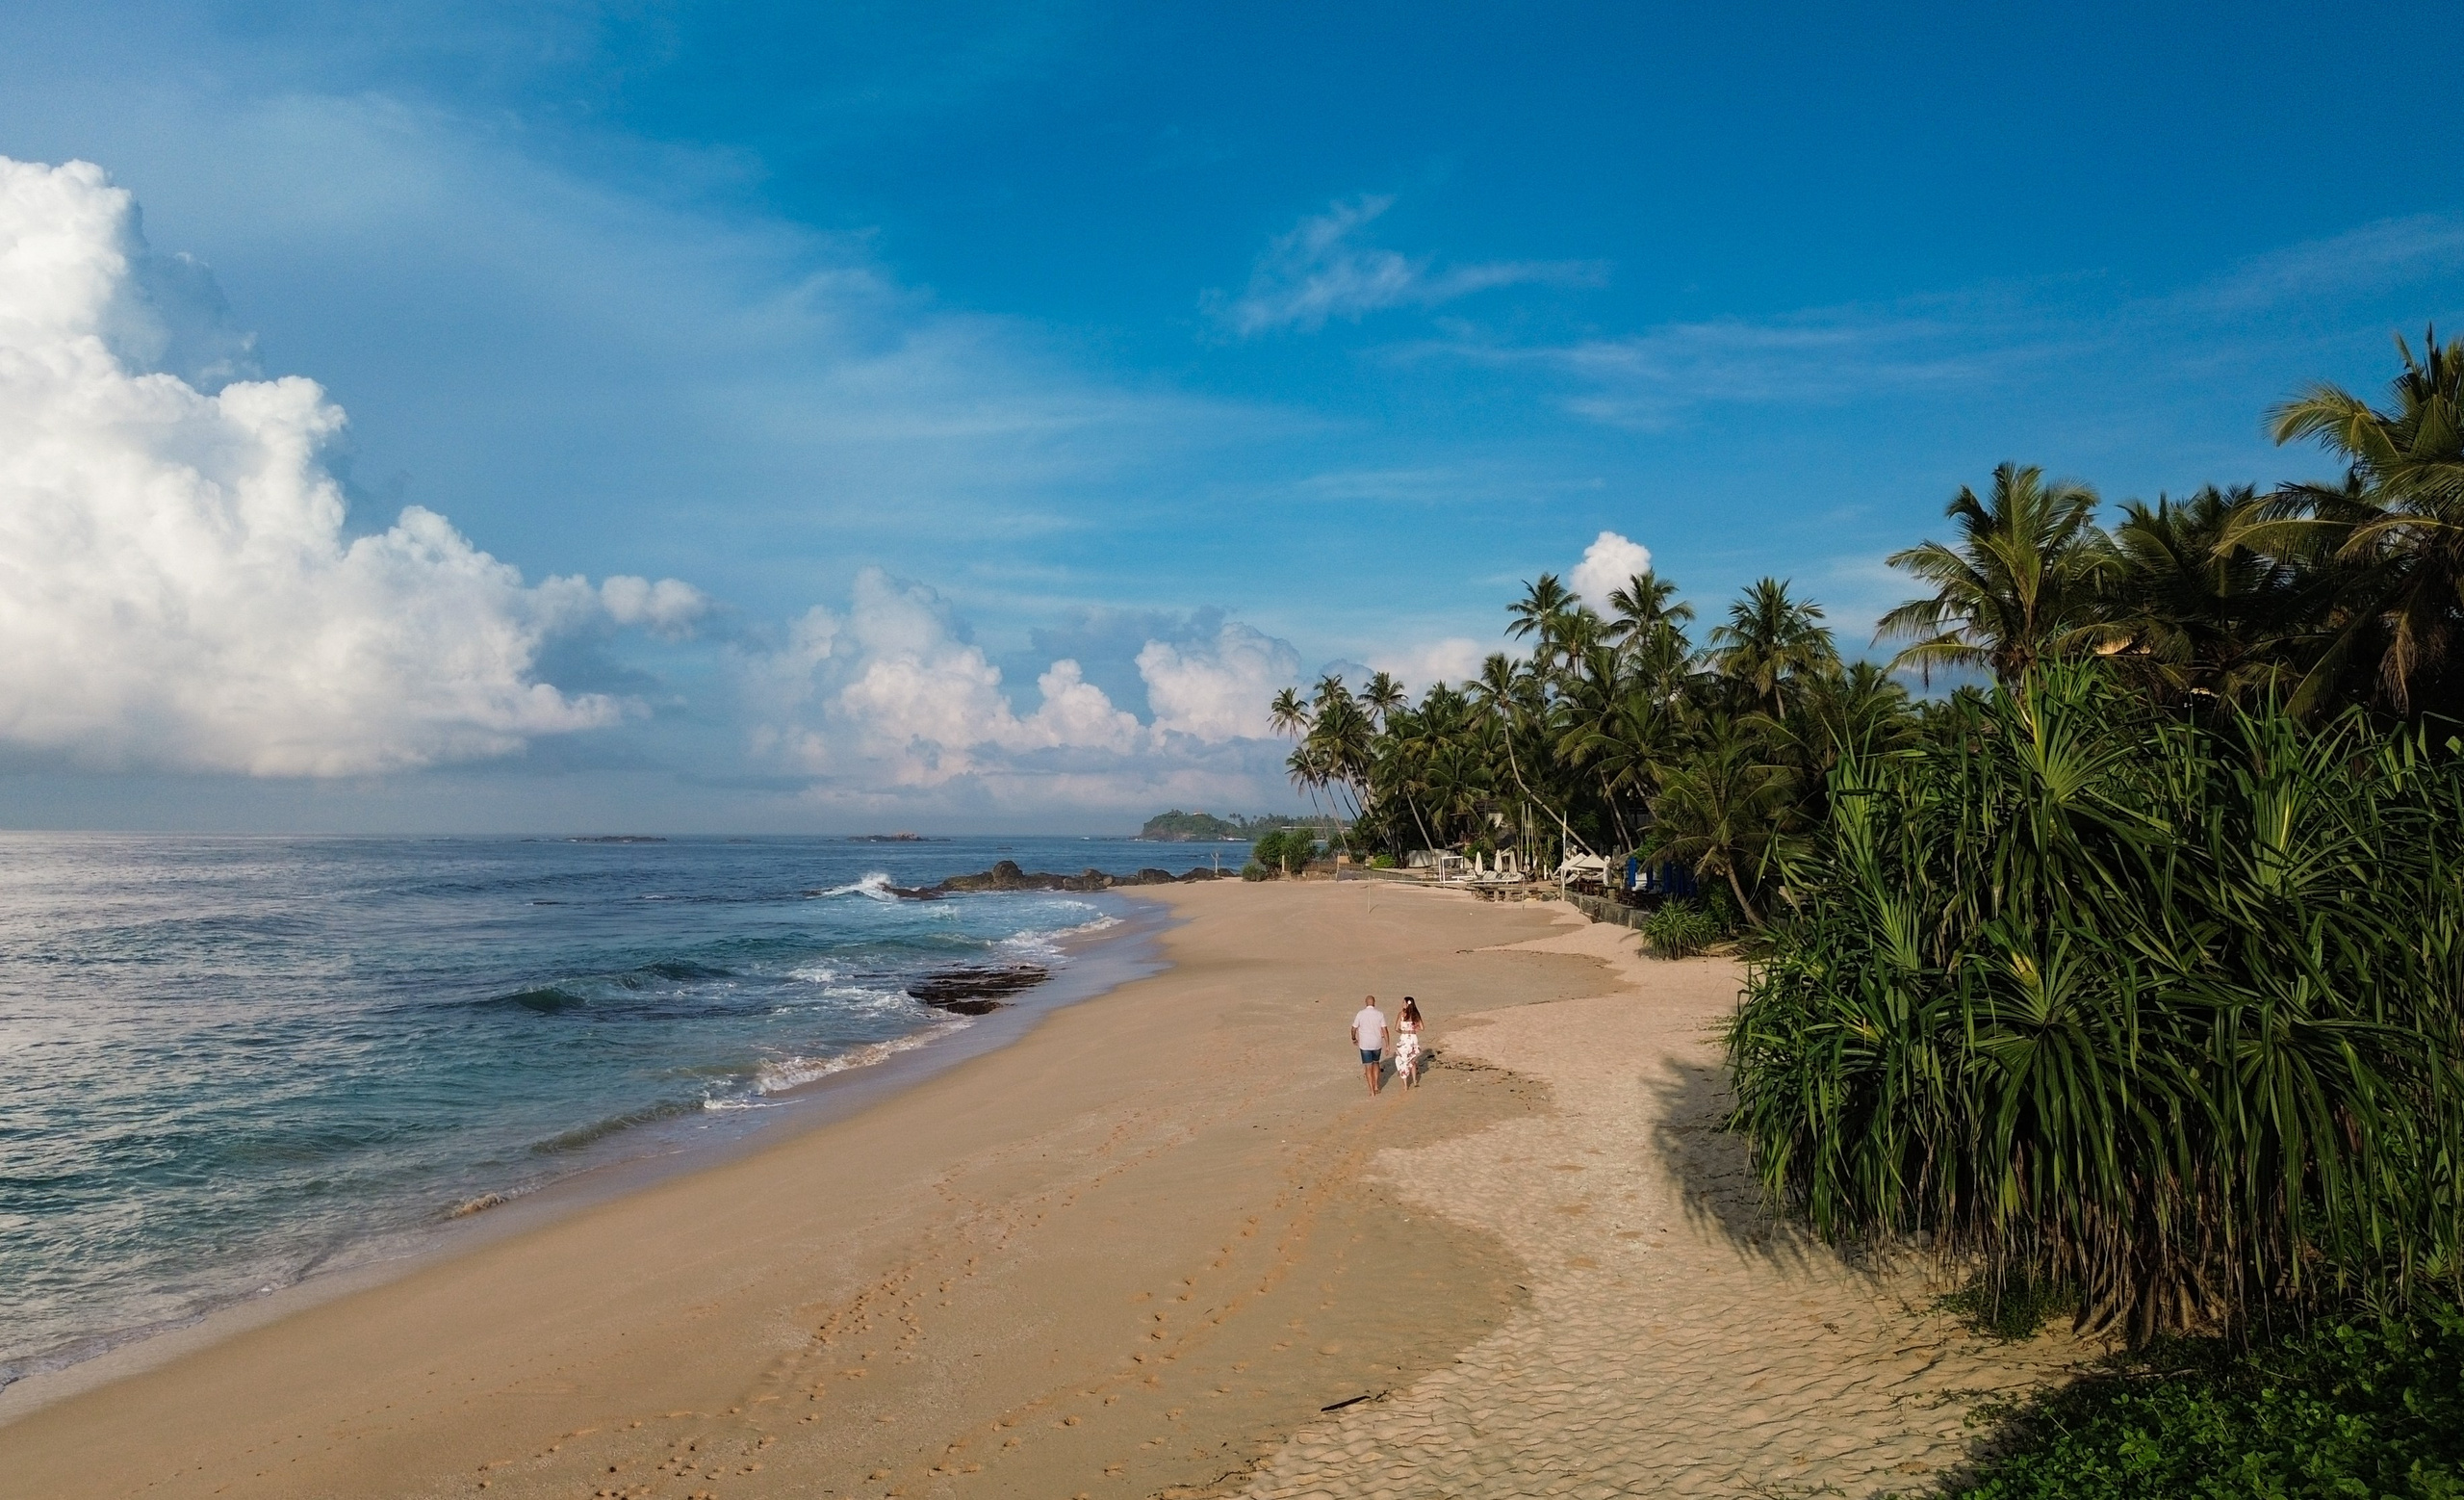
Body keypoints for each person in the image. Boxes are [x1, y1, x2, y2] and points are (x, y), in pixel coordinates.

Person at [1350, 995, 1387, 1097]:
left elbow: (1354, 1028)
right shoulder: (1379, 1014)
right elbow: (1384, 1029)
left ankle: (1371, 1090)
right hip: (1377, 1043)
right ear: (1374, 1002)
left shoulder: (1360, 1014)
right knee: (1376, 1063)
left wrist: (1353, 1038)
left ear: (1365, 1003)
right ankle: (1376, 1086)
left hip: (1365, 1044)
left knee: (1368, 1067)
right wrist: (1387, 1044)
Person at [1394, 996, 1424, 1087]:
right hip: (1413, 1038)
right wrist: (1414, 1029)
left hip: (1404, 1038)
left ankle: (1405, 1085)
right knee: (1412, 1060)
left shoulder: (1401, 1014)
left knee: (1403, 1060)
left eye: (1403, 1003)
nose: (1402, 1004)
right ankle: (1414, 1081)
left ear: (1407, 1004)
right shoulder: (1416, 1015)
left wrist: (1403, 1032)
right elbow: (1422, 1028)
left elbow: (1396, 1028)